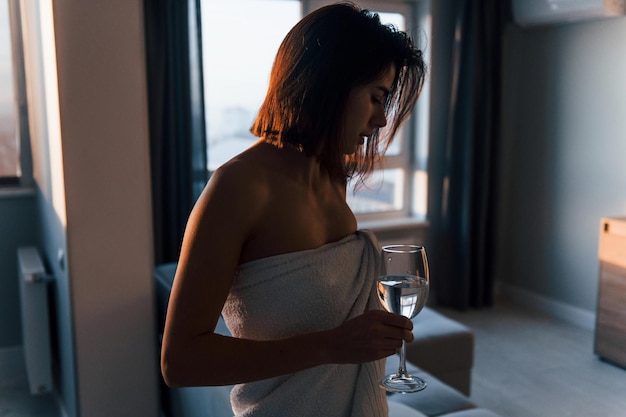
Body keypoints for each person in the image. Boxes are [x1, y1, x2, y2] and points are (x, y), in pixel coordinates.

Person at [161, 2, 427, 416]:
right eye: (376, 97)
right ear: (330, 82)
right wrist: (332, 346)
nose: (380, 119)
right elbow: (179, 362)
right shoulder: (237, 188)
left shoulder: (332, 175)